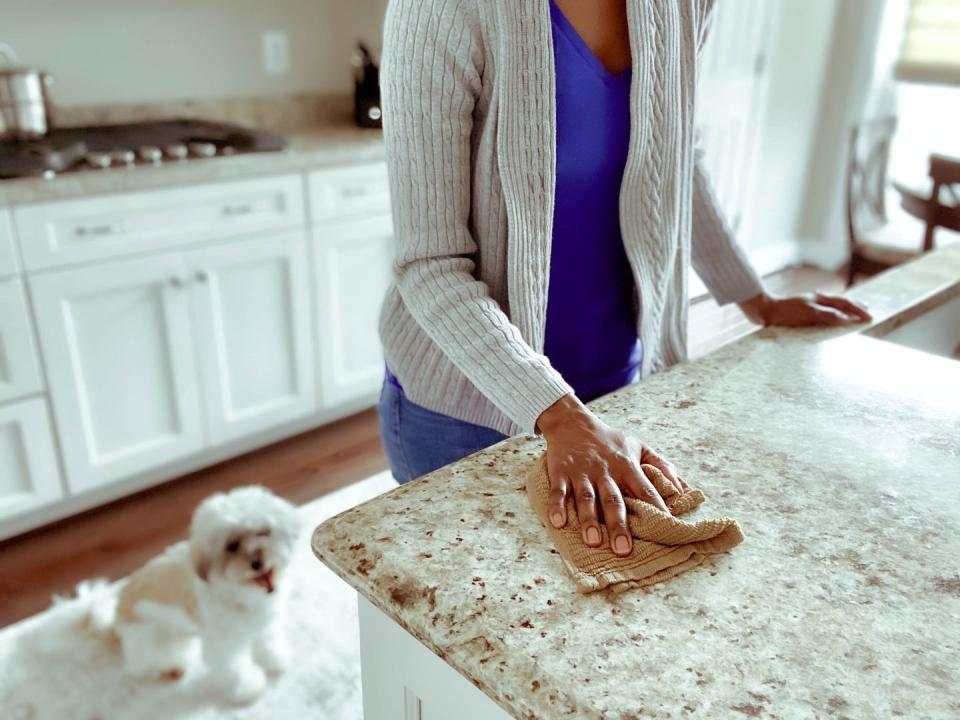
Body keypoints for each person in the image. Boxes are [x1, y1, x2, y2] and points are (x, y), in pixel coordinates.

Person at [375, 0, 872, 558]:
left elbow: (674, 158)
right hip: (465, 406)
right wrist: (561, 416)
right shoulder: (443, 9)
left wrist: (755, 299)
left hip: (618, 386)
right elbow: (430, 264)